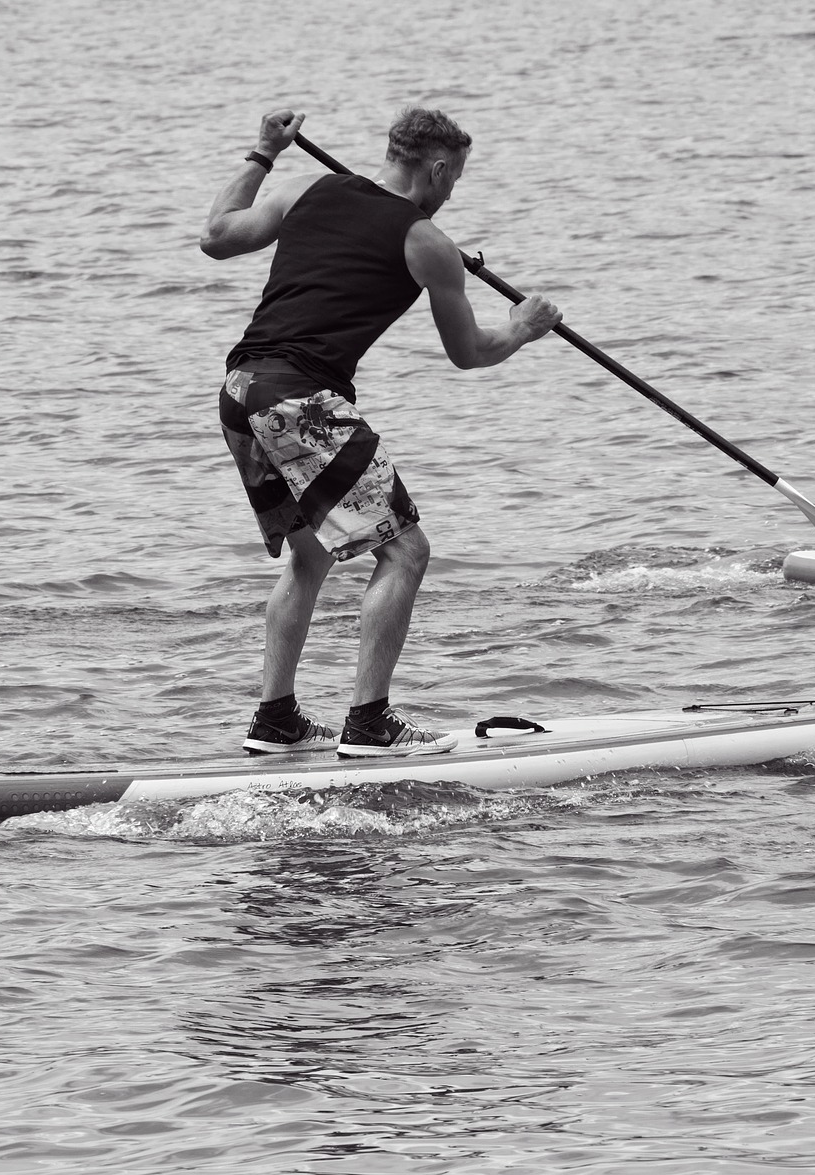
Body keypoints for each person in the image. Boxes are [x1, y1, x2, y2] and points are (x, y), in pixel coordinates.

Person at [201, 106, 562, 756]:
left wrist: (263, 152)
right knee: (405, 551)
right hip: (298, 399)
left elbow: (218, 235)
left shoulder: (309, 189)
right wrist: (523, 326)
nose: (454, 191)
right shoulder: (426, 241)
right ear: (439, 167)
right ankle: (369, 724)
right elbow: (470, 352)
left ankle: (275, 719)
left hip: (239, 390)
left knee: (312, 556)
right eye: (456, 178)